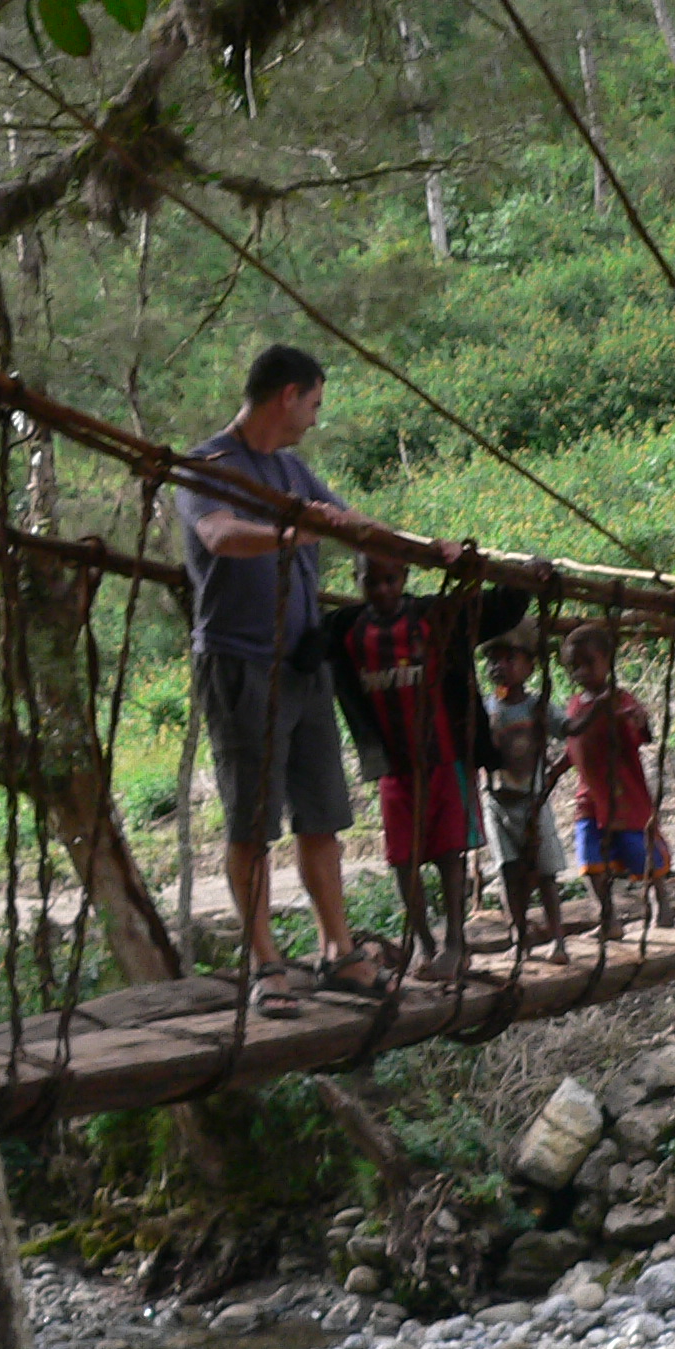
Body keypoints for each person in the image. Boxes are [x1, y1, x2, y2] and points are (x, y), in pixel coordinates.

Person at [179, 344, 443, 1018]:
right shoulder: (209, 466)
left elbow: (353, 526)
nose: (316, 419)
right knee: (251, 821)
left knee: (321, 814)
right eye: (315, 404)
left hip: (303, 662)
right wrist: (295, 531)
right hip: (240, 664)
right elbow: (221, 537)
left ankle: (338, 951)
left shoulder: (292, 470)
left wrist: (425, 550)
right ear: (287, 396)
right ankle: (266, 963)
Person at [322, 550, 533, 983]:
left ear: (405, 576)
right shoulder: (346, 630)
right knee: (403, 859)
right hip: (394, 766)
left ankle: (455, 942)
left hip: (445, 758)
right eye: (371, 581)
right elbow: (298, 644)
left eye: (389, 580)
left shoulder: (434, 618)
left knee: (448, 853)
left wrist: (529, 574)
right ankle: (424, 941)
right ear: (356, 580)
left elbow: (500, 606)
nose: (382, 590)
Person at [556, 623, 673, 942]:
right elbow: (574, 744)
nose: (580, 672)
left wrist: (637, 721)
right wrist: (555, 771)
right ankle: (608, 917)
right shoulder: (576, 705)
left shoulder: (620, 701)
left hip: (623, 794)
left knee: (638, 850)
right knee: (588, 857)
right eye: (574, 667)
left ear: (607, 660)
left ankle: (660, 898)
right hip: (589, 797)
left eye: (587, 663)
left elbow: (639, 732)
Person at [482, 626, 571, 965]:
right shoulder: (486, 708)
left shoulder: (538, 707)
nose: (499, 666)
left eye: (509, 659)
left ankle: (557, 939)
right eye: (493, 660)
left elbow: (569, 730)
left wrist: (556, 770)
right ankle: (519, 938)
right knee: (508, 873)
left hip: (534, 803)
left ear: (530, 667)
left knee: (546, 874)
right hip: (496, 803)